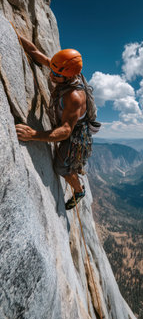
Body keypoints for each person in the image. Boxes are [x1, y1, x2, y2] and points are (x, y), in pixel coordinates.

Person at [15, 35, 98, 210]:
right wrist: (15, 34)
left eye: (56, 75)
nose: (51, 75)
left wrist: (34, 135)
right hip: (68, 124)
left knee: (62, 168)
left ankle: (79, 190)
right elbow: (37, 53)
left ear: (67, 78)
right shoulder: (62, 68)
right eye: (52, 71)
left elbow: (66, 130)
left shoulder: (74, 97)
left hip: (76, 134)